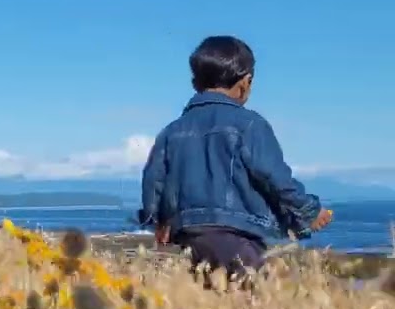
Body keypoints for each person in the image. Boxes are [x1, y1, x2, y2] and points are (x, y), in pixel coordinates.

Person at [138, 35, 333, 285]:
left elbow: (153, 183)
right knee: (251, 301)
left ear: (195, 82)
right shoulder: (250, 125)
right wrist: (310, 212)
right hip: (238, 236)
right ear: (245, 83)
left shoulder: (171, 131)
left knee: (208, 307)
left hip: (188, 237)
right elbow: (275, 179)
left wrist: (158, 223)